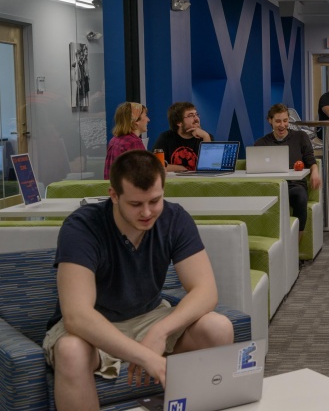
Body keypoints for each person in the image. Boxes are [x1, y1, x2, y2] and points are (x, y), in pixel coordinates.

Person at [42, 150, 234, 410]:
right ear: (114, 195)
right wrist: (145, 356)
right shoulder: (82, 227)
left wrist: (159, 332)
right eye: (135, 204)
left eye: (155, 201)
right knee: (70, 352)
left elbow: (206, 291)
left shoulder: (175, 218)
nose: (147, 212)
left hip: (150, 316)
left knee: (218, 328)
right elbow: (77, 316)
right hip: (94, 326)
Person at [254, 104, 322, 241]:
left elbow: (310, 160)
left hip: (294, 185)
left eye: (285, 121)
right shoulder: (261, 143)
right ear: (270, 120)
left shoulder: (300, 137)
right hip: (271, 186)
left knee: (300, 195)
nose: (282, 125)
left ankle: (295, 246)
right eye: (278, 121)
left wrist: (315, 172)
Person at [153, 102, 214, 172]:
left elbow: (210, 167)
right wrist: (180, 168)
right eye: (191, 115)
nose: (196, 118)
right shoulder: (166, 137)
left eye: (196, 114)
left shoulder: (205, 136)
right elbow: (154, 164)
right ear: (179, 122)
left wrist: (206, 137)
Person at [103, 102, 149, 179]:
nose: (148, 120)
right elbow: (143, 175)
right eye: (146, 116)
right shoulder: (134, 143)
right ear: (136, 121)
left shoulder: (114, 140)